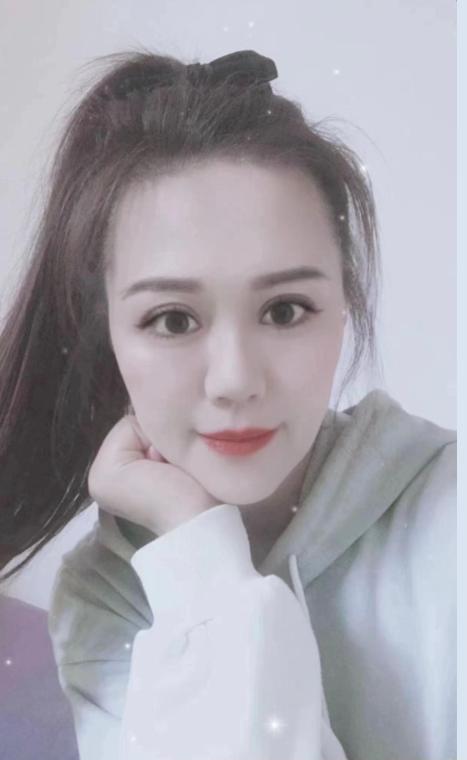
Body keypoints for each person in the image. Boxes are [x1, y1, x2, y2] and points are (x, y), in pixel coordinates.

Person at [0, 49, 455, 760]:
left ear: (344, 306)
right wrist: (196, 550)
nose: (235, 380)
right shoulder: (105, 598)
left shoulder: (449, 515)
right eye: (173, 320)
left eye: (284, 310)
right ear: (106, 331)